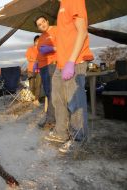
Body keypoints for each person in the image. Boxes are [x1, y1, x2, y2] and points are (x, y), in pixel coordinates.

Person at [45, 0, 94, 153]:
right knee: (58, 100)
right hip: (60, 64)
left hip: (75, 61)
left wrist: (71, 61)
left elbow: (82, 32)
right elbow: (67, 38)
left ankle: (79, 139)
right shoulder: (62, 6)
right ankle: (61, 133)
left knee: (75, 103)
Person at [35, 15, 57, 129]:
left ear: (47, 21)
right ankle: (51, 119)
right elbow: (40, 52)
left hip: (52, 65)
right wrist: (37, 63)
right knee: (48, 93)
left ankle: (51, 120)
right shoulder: (42, 36)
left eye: (43, 22)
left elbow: (64, 44)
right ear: (38, 28)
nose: (42, 25)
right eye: (39, 25)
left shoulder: (55, 30)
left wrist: (53, 49)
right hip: (43, 67)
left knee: (53, 93)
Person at [25, 35, 41, 106]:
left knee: (38, 85)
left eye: (39, 41)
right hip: (31, 69)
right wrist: (35, 60)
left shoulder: (41, 50)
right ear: (34, 41)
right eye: (37, 41)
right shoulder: (30, 49)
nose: (38, 42)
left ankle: (36, 100)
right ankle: (33, 98)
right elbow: (28, 58)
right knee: (31, 86)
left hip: (39, 70)